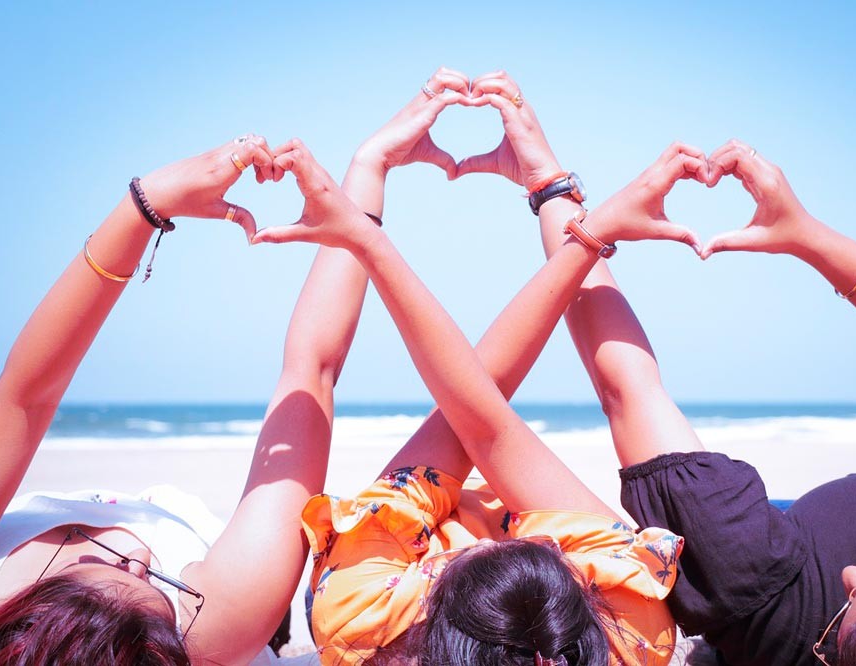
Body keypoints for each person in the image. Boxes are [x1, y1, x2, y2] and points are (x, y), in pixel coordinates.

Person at [251, 69, 700, 665]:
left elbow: (473, 416)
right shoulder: (629, 624)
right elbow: (486, 418)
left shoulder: (365, 616)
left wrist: (368, 185)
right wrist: (557, 198)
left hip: (413, 544)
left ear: (429, 601)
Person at [521, 136, 856, 665]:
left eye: (838, 628)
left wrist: (558, 197)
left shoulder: (766, 599)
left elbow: (629, 392)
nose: (851, 574)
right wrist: (808, 236)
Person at [0, 135, 373, 665]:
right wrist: (366, 179)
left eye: (118, 571)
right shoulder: (217, 625)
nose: (142, 559)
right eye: (159, 604)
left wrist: (146, 204)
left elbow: (26, 395)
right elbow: (312, 369)